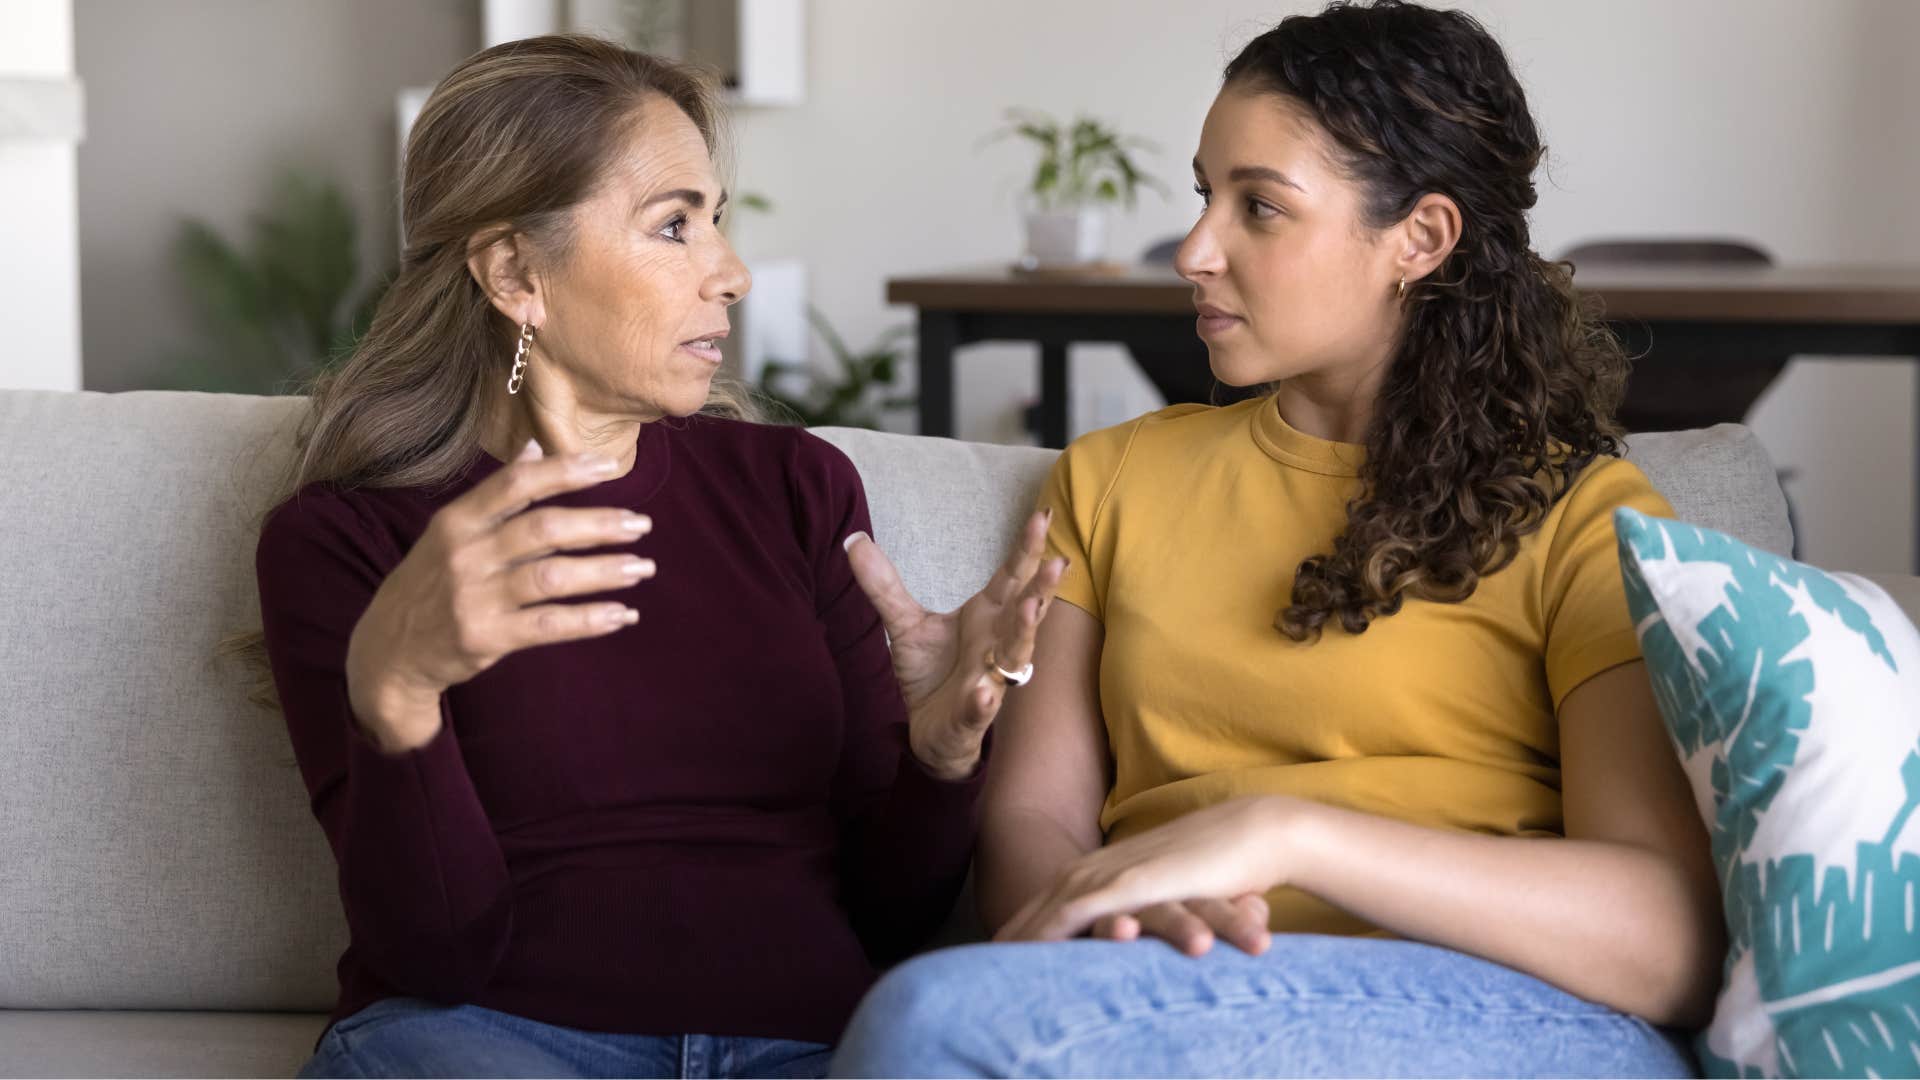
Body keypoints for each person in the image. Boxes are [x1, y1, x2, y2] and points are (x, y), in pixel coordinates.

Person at [831, 3, 1721, 1076]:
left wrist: (1290, 834)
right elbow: (1036, 823)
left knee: (927, 1026)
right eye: (1204, 195)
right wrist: (1109, 925)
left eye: (1259, 207)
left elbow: (1666, 940)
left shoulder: (1586, 516)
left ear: (1420, 240)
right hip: (1176, 986)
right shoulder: (1115, 479)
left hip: (1515, 1010)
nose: (1196, 250)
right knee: (946, 1011)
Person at [250, 34, 1063, 1079]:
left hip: (805, 1044)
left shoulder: (794, 490)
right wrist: (397, 695)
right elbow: (432, 955)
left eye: (715, 222)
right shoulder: (347, 542)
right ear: (515, 274)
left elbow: (885, 917)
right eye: (673, 226)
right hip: (490, 1040)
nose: (729, 274)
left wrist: (941, 757)